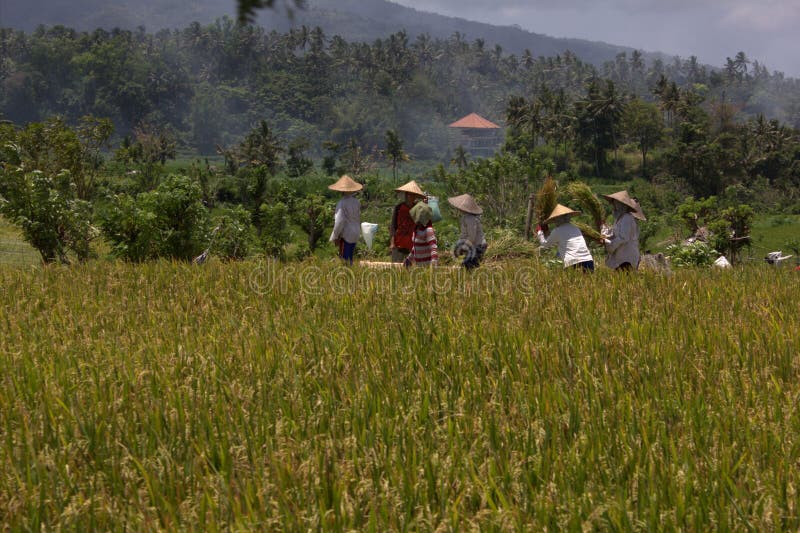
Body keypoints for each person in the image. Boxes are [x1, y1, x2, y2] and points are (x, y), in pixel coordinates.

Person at [536, 204, 594, 271]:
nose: (555, 222)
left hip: (573, 262)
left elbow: (545, 244)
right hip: (588, 261)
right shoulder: (575, 228)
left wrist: (539, 232)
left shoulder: (557, 231)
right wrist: (547, 232)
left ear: (558, 219)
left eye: (555, 219)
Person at [601, 190, 643, 271]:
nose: (613, 205)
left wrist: (609, 244)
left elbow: (623, 238)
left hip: (627, 258)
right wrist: (603, 231)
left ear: (621, 205)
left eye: (615, 203)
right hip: (621, 258)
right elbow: (613, 233)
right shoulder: (620, 219)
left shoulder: (627, 218)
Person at [447, 193, 488, 269]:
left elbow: (472, 237)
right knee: (464, 264)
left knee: (468, 267)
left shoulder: (470, 219)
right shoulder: (466, 217)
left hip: (478, 246)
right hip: (473, 245)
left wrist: (464, 247)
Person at [328, 175, 362, 264]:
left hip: (346, 233)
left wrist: (335, 236)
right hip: (356, 231)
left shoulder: (341, 203)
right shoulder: (357, 202)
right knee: (350, 256)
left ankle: (346, 275)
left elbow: (339, 221)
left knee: (344, 260)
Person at [389, 180, 425, 263]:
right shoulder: (399, 207)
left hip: (412, 243)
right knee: (396, 266)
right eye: (408, 194)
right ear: (405, 195)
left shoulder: (418, 208)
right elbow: (393, 226)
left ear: (415, 196)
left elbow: (421, 225)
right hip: (399, 242)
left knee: (411, 267)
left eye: (412, 195)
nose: (410, 197)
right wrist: (392, 242)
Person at [405, 202, 438, 267]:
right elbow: (415, 248)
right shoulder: (416, 230)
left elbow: (433, 247)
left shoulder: (428, 230)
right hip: (419, 266)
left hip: (428, 266)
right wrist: (409, 259)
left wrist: (434, 262)